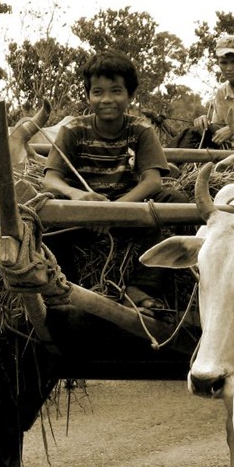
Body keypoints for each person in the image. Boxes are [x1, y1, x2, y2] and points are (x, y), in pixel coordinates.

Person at [43, 49, 186, 313]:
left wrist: (114, 211)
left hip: (131, 214)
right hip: (83, 218)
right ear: (88, 96)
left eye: (116, 91)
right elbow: (51, 179)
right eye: (97, 92)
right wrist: (79, 198)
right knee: (45, 217)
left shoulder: (141, 130)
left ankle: (141, 286)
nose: (106, 99)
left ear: (130, 96)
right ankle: (68, 289)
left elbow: (152, 181)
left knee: (177, 204)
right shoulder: (73, 130)